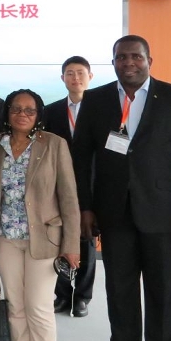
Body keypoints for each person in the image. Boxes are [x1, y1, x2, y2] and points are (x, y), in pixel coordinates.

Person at [71, 35, 171, 341]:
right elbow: (81, 158)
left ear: (149, 60)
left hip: (163, 214)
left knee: (163, 291)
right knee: (120, 290)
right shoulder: (96, 100)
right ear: (113, 62)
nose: (129, 63)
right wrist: (85, 206)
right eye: (121, 57)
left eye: (136, 56)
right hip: (113, 212)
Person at [0, 89, 81, 341]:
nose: (22, 114)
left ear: (38, 115)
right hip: (4, 238)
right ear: (7, 112)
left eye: (29, 110)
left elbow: (69, 197)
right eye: (16, 109)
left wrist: (71, 245)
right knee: (15, 305)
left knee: (38, 306)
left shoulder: (54, 144)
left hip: (44, 240)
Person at [43, 55, 97, 317]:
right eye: (70, 73)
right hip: (58, 183)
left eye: (80, 73)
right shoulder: (51, 111)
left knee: (87, 239)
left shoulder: (100, 109)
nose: (75, 78)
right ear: (62, 78)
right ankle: (62, 294)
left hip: (91, 183)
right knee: (58, 237)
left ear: (90, 77)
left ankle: (83, 296)